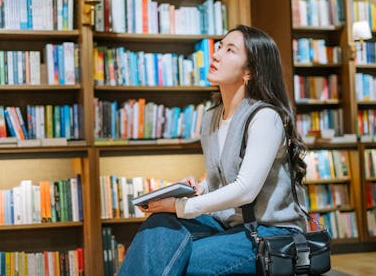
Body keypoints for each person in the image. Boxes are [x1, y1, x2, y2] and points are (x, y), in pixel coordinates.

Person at [118, 25, 308, 275]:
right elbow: (222, 174)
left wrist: (180, 206)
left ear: (249, 71)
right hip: (228, 224)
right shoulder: (211, 117)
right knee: (159, 225)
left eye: (230, 50)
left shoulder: (265, 117)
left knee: (181, 259)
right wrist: (198, 188)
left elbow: (245, 190)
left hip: (272, 231)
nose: (216, 54)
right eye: (219, 46)